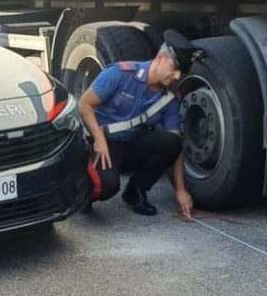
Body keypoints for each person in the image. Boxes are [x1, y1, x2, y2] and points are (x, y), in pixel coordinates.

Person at [77, 30, 200, 217]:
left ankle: (136, 191)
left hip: (132, 144)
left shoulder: (169, 99)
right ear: (160, 57)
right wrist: (99, 139)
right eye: (174, 68)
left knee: (173, 142)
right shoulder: (120, 74)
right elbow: (84, 104)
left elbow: (175, 145)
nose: (176, 76)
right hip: (104, 143)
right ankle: (83, 190)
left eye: (180, 72)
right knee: (107, 187)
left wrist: (180, 190)